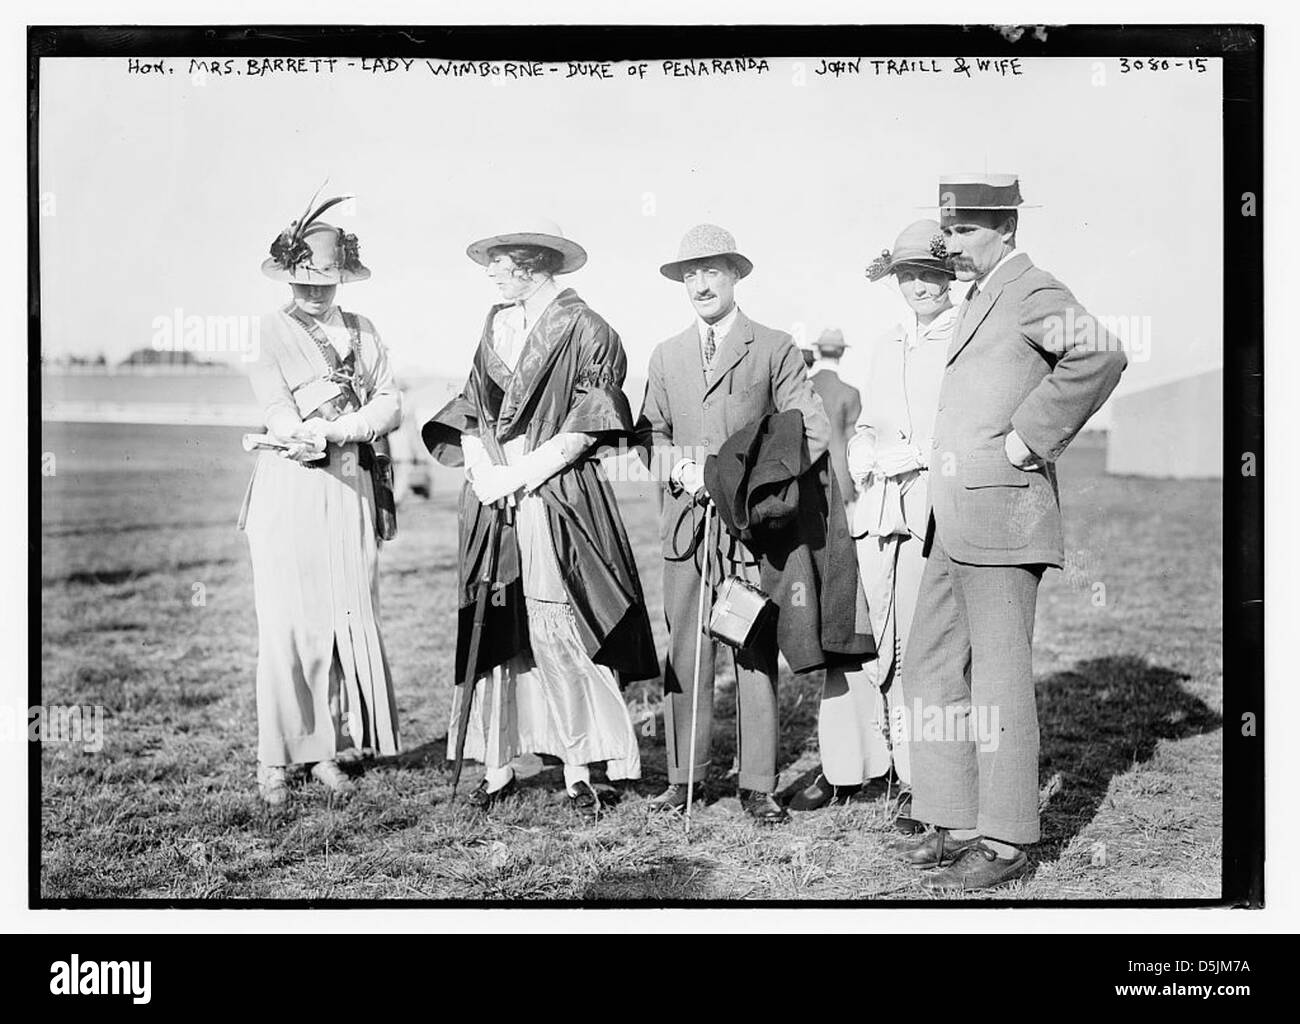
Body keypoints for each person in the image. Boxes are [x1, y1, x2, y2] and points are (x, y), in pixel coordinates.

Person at [896, 174, 1127, 890]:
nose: (952, 244)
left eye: (966, 230)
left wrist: (1031, 437)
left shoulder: (1030, 290)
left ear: (1007, 228)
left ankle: (1006, 843)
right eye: (950, 231)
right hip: (952, 515)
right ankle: (956, 818)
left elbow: (1102, 354)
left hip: (1002, 515)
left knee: (996, 681)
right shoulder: (981, 295)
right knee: (931, 666)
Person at [422, 218, 658, 819]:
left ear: (533, 265)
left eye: (500, 263)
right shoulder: (496, 323)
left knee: (562, 626)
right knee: (498, 623)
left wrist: (519, 474)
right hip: (494, 499)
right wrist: (483, 471)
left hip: (554, 496)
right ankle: (498, 765)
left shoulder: (588, 328)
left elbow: (589, 423)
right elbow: (472, 406)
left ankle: (579, 768)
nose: (491, 273)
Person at [634, 223, 832, 825]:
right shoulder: (666, 355)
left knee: (752, 647)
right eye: (689, 273)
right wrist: (681, 471)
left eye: (712, 270)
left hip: (750, 532)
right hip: (687, 531)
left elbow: (812, 430)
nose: (700, 282)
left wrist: (749, 486)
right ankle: (682, 777)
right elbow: (651, 432)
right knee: (687, 652)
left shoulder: (772, 347)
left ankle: (757, 785)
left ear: (736, 275)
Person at [790, 221, 957, 821]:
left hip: (929, 509)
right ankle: (878, 765)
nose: (920, 285)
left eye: (931, 274)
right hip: (873, 511)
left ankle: (922, 780)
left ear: (950, 276)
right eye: (909, 274)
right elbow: (870, 421)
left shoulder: (964, 335)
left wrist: (919, 452)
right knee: (874, 642)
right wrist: (862, 449)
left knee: (918, 646)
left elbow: (965, 421)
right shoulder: (887, 344)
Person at [239, 194, 402, 806]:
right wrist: (298, 431)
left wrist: (340, 430)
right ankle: (275, 760)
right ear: (288, 275)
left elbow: (390, 402)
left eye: (325, 280)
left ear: (342, 278)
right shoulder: (271, 331)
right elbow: (275, 403)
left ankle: (325, 749)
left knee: (340, 620)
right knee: (285, 622)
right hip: (289, 485)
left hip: (351, 484)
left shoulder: (365, 331)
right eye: (304, 279)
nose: (314, 291)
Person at [806, 328, 861, 509]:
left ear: (819, 352)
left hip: (807, 472)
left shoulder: (804, 388)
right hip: (839, 475)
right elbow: (852, 438)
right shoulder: (849, 393)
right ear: (842, 352)